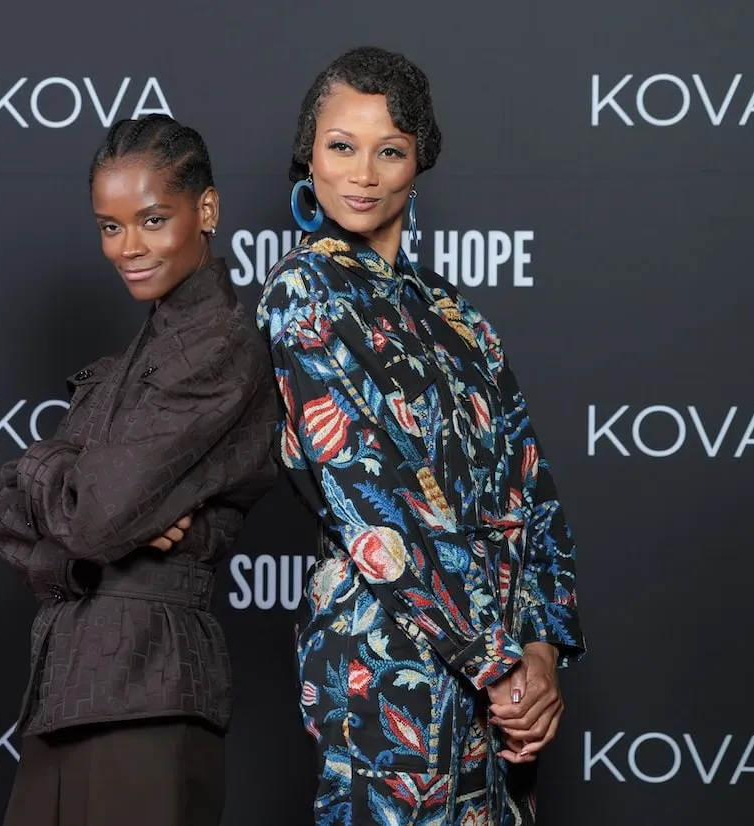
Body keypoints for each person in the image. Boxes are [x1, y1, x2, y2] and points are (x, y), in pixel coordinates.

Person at [255, 47, 586, 825]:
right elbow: (374, 503)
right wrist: (500, 664)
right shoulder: (303, 295)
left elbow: (528, 482)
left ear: (419, 163)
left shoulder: (456, 313)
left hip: (499, 680)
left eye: (389, 150)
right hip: (387, 664)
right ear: (309, 154)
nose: (363, 173)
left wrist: (541, 649)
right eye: (342, 146)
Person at [0, 113, 277, 826]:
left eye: (151, 219)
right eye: (110, 227)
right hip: (75, 687)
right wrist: (57, 480)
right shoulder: (142, 349)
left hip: (149, 693)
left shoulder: (216, 346)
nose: (128, 248)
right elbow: (8, 517)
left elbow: (95, 514)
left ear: (206, 209)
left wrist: (48, 481)